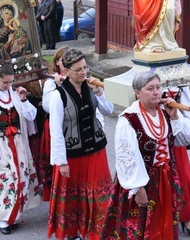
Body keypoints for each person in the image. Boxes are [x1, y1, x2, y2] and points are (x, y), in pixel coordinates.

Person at [102, 71, 190, 239]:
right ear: (137, 93)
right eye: (150, 88)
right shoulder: (129, 119)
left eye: (158, 88)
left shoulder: (166, 112)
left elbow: (187, 138)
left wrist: (175, 118)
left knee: (164, 224)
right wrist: (138, 189)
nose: (156, 92)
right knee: (140, 226)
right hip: (141, 180)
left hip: (166, 179)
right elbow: (126, 158)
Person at [47, 48, 114, 240]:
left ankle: (97, 231)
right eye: (78, 69)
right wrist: (61, 162)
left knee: (99, 194)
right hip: (73, 154)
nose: (84, 72)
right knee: (75, 198)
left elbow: (109, 111)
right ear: (67, 71)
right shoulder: (57, 95)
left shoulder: (91, 87)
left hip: (96, 149)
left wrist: (100, 92)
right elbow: (56, 131)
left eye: (85, 67)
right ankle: (74, 233)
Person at [0, 64, 42, 234]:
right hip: (0, 146)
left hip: (19, 144)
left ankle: (14, 215)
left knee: (20, 179)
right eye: (6, 83)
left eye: (11, 82)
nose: (9, 86)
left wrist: (23, 99)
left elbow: (31, 116)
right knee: (5, 181)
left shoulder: (14, 95)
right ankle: (4, 221)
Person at [163, 86, 190, 237]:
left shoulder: (180, 78)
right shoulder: (149, 73)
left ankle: (184, 216)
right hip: (155, 130)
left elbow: (187, 108)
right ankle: (164, 216)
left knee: (181, 174)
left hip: (176, 130)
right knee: (160, 177)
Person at [41, 46, 69, 201]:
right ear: (57, 63)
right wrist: (60, 86)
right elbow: (47, 106)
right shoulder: (52, 81)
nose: (66, 64)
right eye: (62, 61)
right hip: (56, 125)